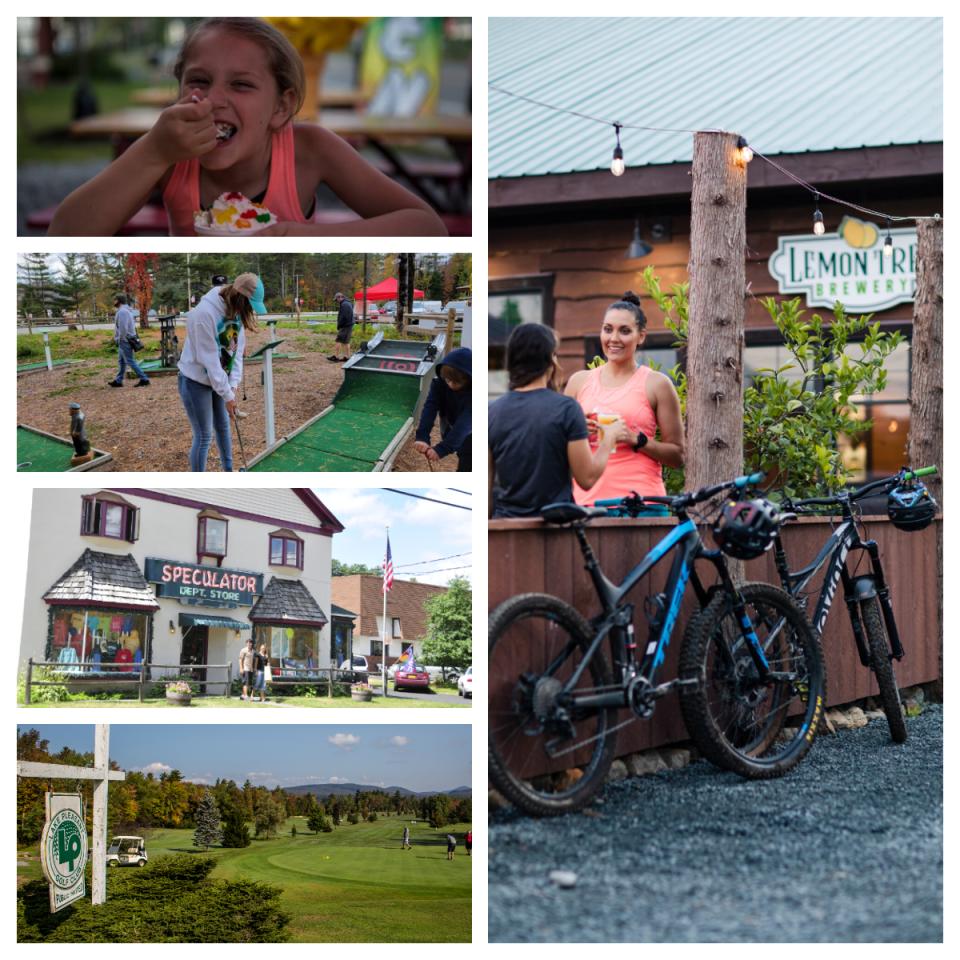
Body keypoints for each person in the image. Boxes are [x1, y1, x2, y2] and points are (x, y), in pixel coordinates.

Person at [49, 18, 446, 237]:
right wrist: (154, 151)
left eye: (241, 84)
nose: (215, 99)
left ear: (281, 107)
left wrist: (294, 238)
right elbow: (65, 234)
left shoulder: (311, 149)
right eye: (199, 82)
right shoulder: (169, 155)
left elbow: (427, 227)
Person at [489, 324, 625, 518]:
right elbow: (587, 478)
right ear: (550, 360)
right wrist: (609, 438)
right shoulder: (566, 409)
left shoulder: (491, 412)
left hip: (506, 530)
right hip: (554, 531)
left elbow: (485, 491)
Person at [565, 291, 685, 503]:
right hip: (586, 505)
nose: (613, 339)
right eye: (608, 329)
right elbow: (557, 448)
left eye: (625, 331)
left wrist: (636, 439)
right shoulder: (578, 382)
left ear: (641, 336)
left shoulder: (657, 384)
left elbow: (677, 456)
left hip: (641, 505)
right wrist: (576, 433)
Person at [178, 272, 265, 471]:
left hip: (220, 379)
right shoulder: (203, 315)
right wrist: (227, 394)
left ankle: (229, 471)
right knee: (204, 435)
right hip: (195, 380)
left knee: (224, 426)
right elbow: (209, 361)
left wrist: (232, 388)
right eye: (251, 306)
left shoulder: (236, 312)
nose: (251, 312)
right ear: (241, 299)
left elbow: (236, 354)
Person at [414, 347, 472, 471]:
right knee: (461, 450)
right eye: (448, 379)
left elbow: (465, 423)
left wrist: (442, 449)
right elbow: (430, 408)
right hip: (453, 424)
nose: (450, 384)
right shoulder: (439, 384)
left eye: (456, 382)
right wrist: (422, 437)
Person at [109, 295, 150, 388]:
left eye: (114, 300)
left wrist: (120, 338)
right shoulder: (125, 311)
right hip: (126, 339)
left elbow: (123, 328)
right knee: (121, 361)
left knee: (130, 361)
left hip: (125, 340)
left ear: (118, 301)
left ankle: (144, 379)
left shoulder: (122, 312)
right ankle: (118, 381)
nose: (113, 301)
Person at [329, 293, 354, 362]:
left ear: (340, 297)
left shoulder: (344, 304)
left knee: (338, 340)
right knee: (346, 342)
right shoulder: (348, 303)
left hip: (345, 326)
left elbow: (344, 317)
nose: (337, 301)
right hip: (349, 325)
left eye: (336, 299)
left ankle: (336, 357)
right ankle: (347, 357)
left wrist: (340, 325)